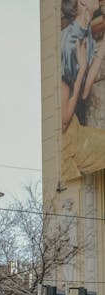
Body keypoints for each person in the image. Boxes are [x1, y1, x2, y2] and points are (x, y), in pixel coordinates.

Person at [61, 0, 105, 180]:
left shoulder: (84, 34)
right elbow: (63, 120)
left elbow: (85, 92)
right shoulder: (68, 42)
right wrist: (81, 70)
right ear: (83, 2)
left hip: (75, 130)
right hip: (67, 140)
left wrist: (102, 49)